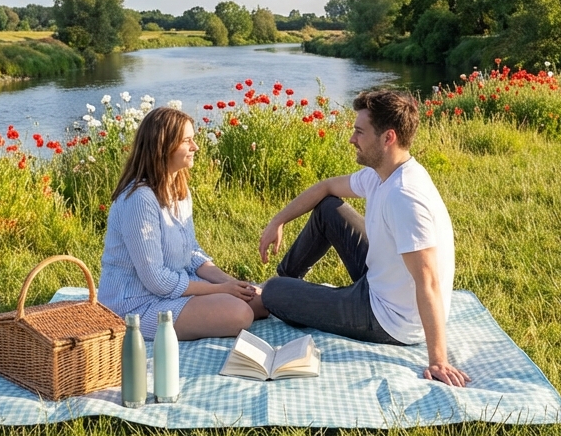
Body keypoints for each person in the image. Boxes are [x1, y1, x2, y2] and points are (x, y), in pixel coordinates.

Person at [258, 90, 470, 387]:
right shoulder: (385, 173)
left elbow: (429, 281)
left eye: (359, 131)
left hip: (390, 318)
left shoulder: (405, 196)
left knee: (273, 291)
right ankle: (285, 283)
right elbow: (326, 187)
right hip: (382, 280)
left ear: (388, 138)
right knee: (329, 209)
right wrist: (278, 220)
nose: (352, 139)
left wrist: (438, 360)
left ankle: (273, 295)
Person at [99, 106, 267, 340]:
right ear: (164, 146)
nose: (195, 147)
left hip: (172, 292)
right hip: (135, 307)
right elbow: (156, 280)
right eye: (187, 141)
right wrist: (220, 290)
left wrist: (233, 283)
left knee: (262, 299)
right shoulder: (139, 199)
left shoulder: (178, 188)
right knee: (240, 313)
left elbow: (192, 253)